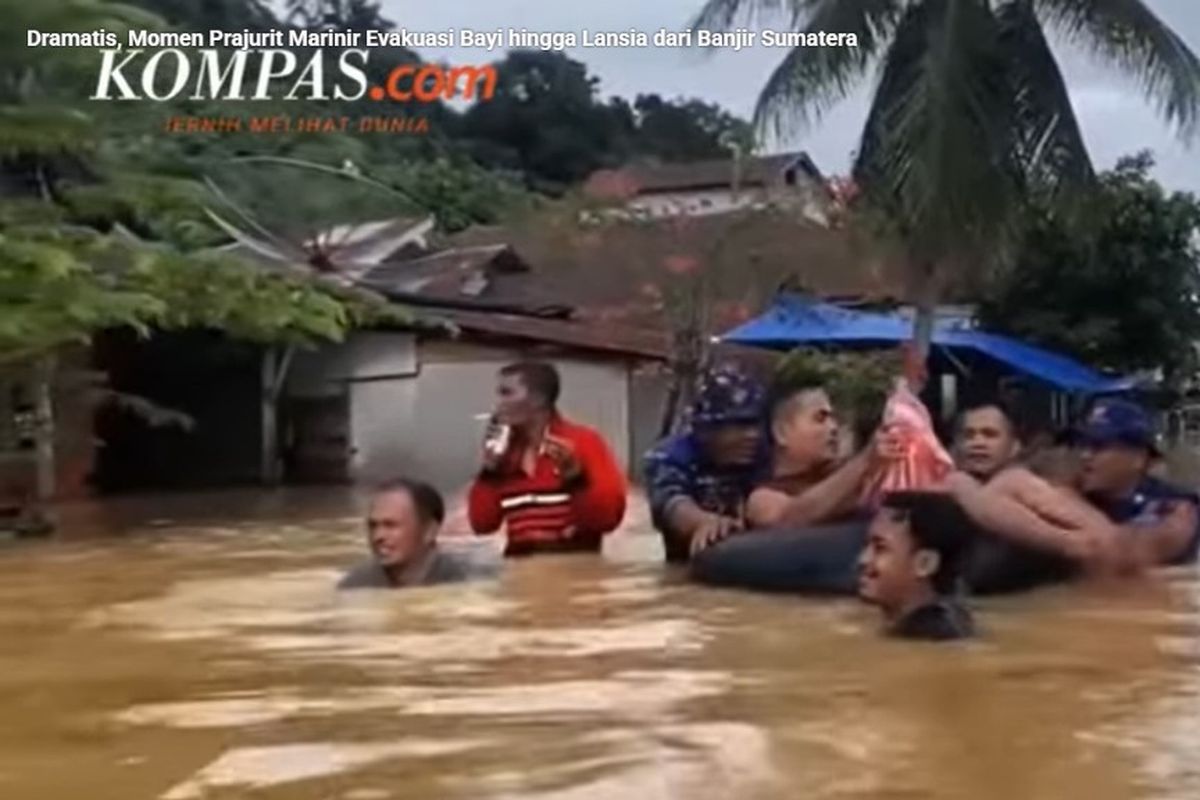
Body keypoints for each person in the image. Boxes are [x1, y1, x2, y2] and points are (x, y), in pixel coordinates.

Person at [467, 361, 626, 557]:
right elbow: (482, 525)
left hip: (573, 570)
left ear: (538, 399)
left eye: (507, 393)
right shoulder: (504, 453)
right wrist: (489, 470)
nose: (498, 403)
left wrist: (575, 477)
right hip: (520, 573)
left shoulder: (584, 443)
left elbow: (606, 520)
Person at [643, 362, 769, 562]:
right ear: (705, 430)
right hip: (687, 569)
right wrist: (702, 522)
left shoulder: (765, 453)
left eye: (755, 424)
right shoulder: (670, 456)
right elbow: (671, 503)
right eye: (739, 425)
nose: (752, 435)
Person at [745, 379, 890, 529]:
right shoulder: (762, 498)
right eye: (820, 419)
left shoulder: (849, 476)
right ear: (781, 432)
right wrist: (864, 460)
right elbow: (790, 517)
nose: (833, 427)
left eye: (833, 419)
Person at [1074, 397, 1200, 568]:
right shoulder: (1065, 495)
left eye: (1099, 446)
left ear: (1139, 458)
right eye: (1081, 445)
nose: (1085, 455)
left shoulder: (1177, 508)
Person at [858, 490, 976, 641]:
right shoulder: (954, 620)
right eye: (866, 546)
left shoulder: (926, 637)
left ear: (924, 564)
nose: (863, 559)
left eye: (880, 549)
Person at [339, 478, 492, 589]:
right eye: (373, 526)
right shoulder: (356, 583)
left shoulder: (469, 582)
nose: (378, 536)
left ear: (429, 531)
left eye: (390, 525)